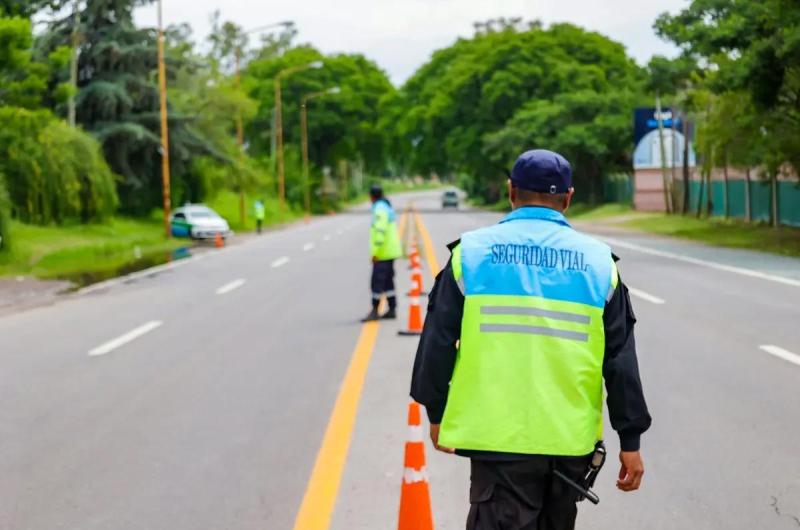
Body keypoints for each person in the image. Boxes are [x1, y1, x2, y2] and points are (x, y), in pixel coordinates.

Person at [410, 149, 652, 530]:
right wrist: (630, 441)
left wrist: (436, 413)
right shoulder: (600, 264)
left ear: (511, 191)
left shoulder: (470, 255)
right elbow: (620, 361)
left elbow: (437, 342)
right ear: (568, 198)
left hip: (498, 438)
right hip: (569, 443)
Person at [362, 184, 403, 322]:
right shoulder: (385, 206)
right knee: (387, 282)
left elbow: (380, 231)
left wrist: (376, 252)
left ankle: (375, 310)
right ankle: (392, 309)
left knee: (377, 282)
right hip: (390, 252)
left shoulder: (379, 209)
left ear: (371, 196)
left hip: (383, 253)